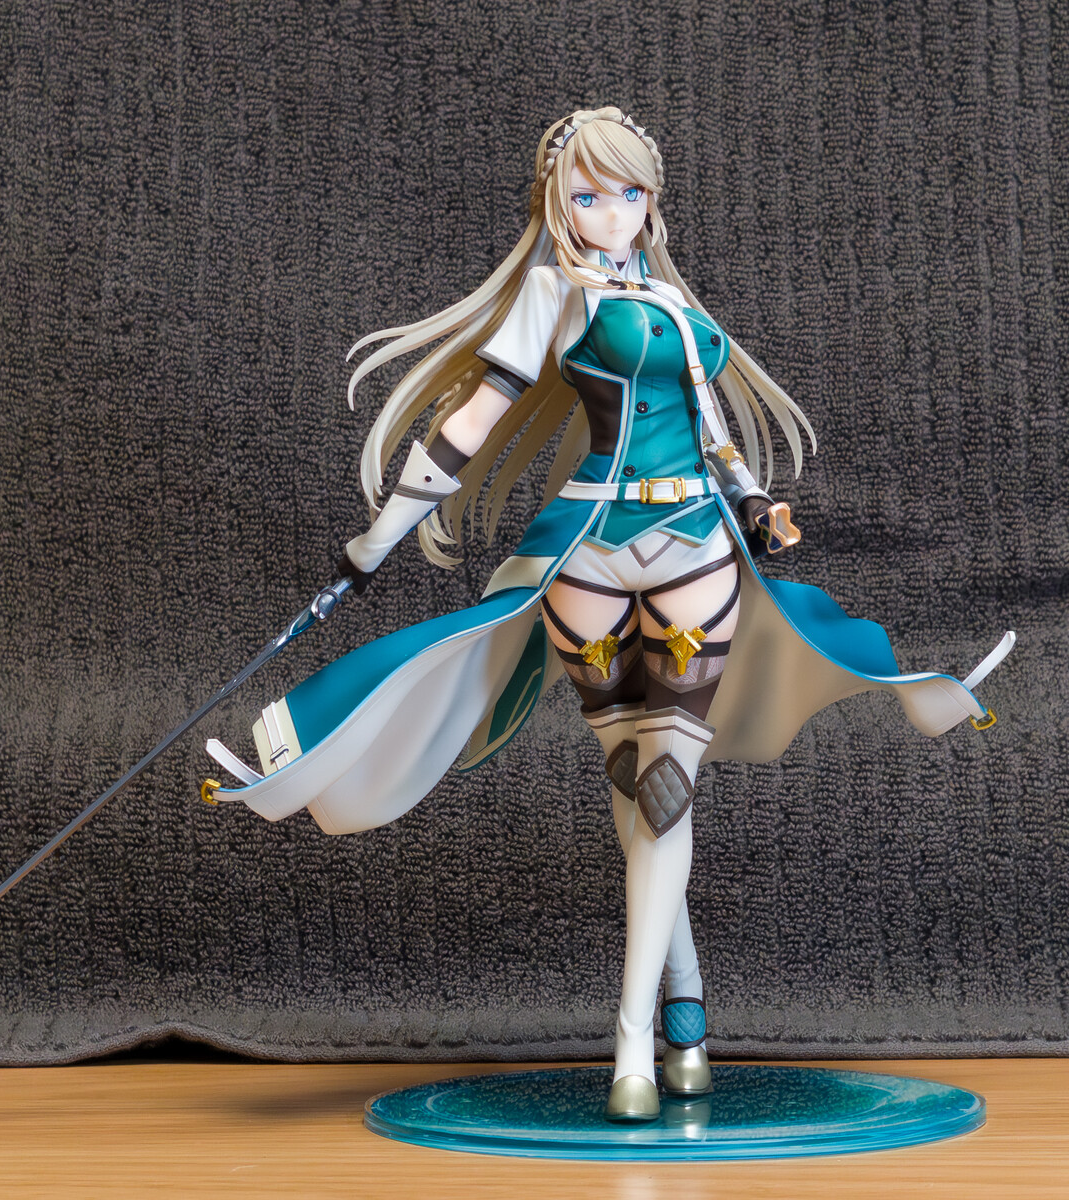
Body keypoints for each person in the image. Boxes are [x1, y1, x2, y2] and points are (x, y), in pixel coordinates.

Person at [203, 108, 1013, 1122]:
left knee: (663, 786)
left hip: (698, 543)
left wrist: (755, 502)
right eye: (589, 194)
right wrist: (377, 539)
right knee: (641, 785)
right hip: (588, 549)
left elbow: (713, 429)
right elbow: (468, 427)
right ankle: (683, 1017)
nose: (613, 212)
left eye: (629, 192)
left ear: (651, 201)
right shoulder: (552, 296)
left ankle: (642, 1038)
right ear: (559, 204)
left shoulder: (671, 302)